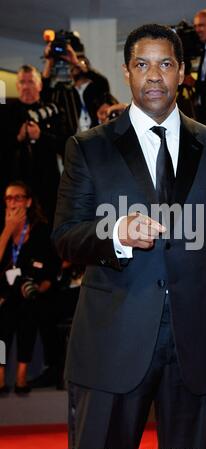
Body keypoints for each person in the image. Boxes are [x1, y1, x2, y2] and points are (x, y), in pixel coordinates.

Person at [53, 23, 206, 449]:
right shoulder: (89, 147)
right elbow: (65, 236)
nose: (154, 75)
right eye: (142, 64)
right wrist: (115, 231)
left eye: (165, 64)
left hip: (201, 343)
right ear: (127, 72)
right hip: (112, 341)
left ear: (182, 72)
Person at [0, 181, 57, 394]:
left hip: (28, 291)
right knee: (1, 324)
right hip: (3, 292)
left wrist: (44, 283)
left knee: (29, 313)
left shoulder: (40, 228)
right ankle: (0, 374)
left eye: (18, 197)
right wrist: (7, 231)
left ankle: (22, 376)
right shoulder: (1, 227)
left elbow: (50, 262)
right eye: (8, 198)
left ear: (28, 202)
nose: (12, 202)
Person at [5, 65, 64, 227]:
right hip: (15, 188)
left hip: (47, 187)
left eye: (30, 82)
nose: (26, 86)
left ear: (39, 85)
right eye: (22, 82)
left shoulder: (53, 110)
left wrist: (40, 136)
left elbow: (65, 144)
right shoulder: (6, 112)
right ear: (17, 86)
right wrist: (18, 137)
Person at [42, 44, 110, 133]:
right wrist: (49, 61)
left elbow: (103, 82)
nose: (74, 65)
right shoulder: (65, 91)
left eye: (79, 62)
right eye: (71, 64)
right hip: (73, 139)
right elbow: (44, 93)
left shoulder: (96, 87)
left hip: (96, 135)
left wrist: (75, 61)